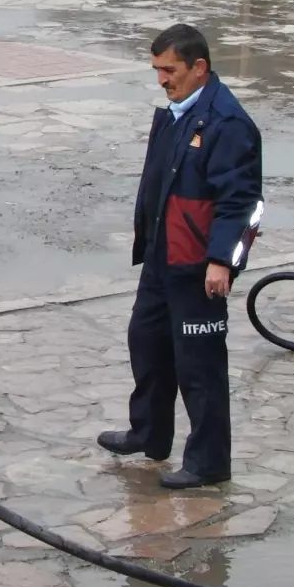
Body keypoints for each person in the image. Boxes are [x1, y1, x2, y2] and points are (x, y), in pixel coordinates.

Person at [99, 24, 263, 488]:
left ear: (199, 68)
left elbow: (242, 204)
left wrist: (222, 261)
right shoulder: (176, 114)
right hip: (160, 257)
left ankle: (209, 461)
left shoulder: (228, 124)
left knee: (199, 365)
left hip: (197, 266)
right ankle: (149, 433)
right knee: (146, 344)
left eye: (169, 70)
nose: (162, 80)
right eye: (156, 70)